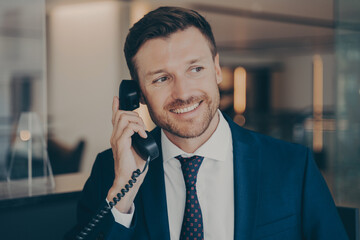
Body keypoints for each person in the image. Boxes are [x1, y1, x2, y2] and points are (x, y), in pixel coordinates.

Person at [66, 6, 348, 240]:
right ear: (137, 93)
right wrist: (122, 199)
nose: (183, 93)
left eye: (195, 69)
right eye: (161, 78)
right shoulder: (110, 172)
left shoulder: (292, 166)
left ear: (216, 69)